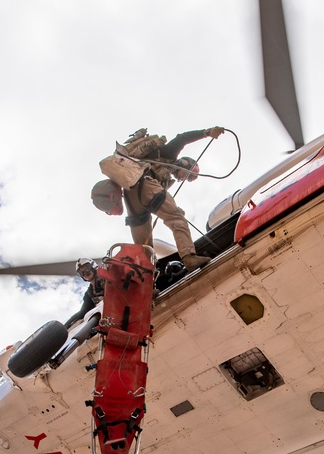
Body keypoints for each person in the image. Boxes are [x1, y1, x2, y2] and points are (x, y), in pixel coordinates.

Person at [98, 127, 224, 271]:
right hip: (144, 185)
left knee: (144, 248)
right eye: (187, 175)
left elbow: (159, 200)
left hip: (130, 198)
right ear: (185, 164)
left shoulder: (163, 180)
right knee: (177, 219)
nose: (183, 179)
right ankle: (189, 257)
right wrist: (207, 133)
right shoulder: (169, 156)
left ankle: (146, 286)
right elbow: (181, 138)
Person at [64, 258, 106, 329]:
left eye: (86, 269)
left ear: (93, 266)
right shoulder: (89, 294)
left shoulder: (105, 278)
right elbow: (83, 311)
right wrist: (66, 326)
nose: (85, 273)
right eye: (81, 272)